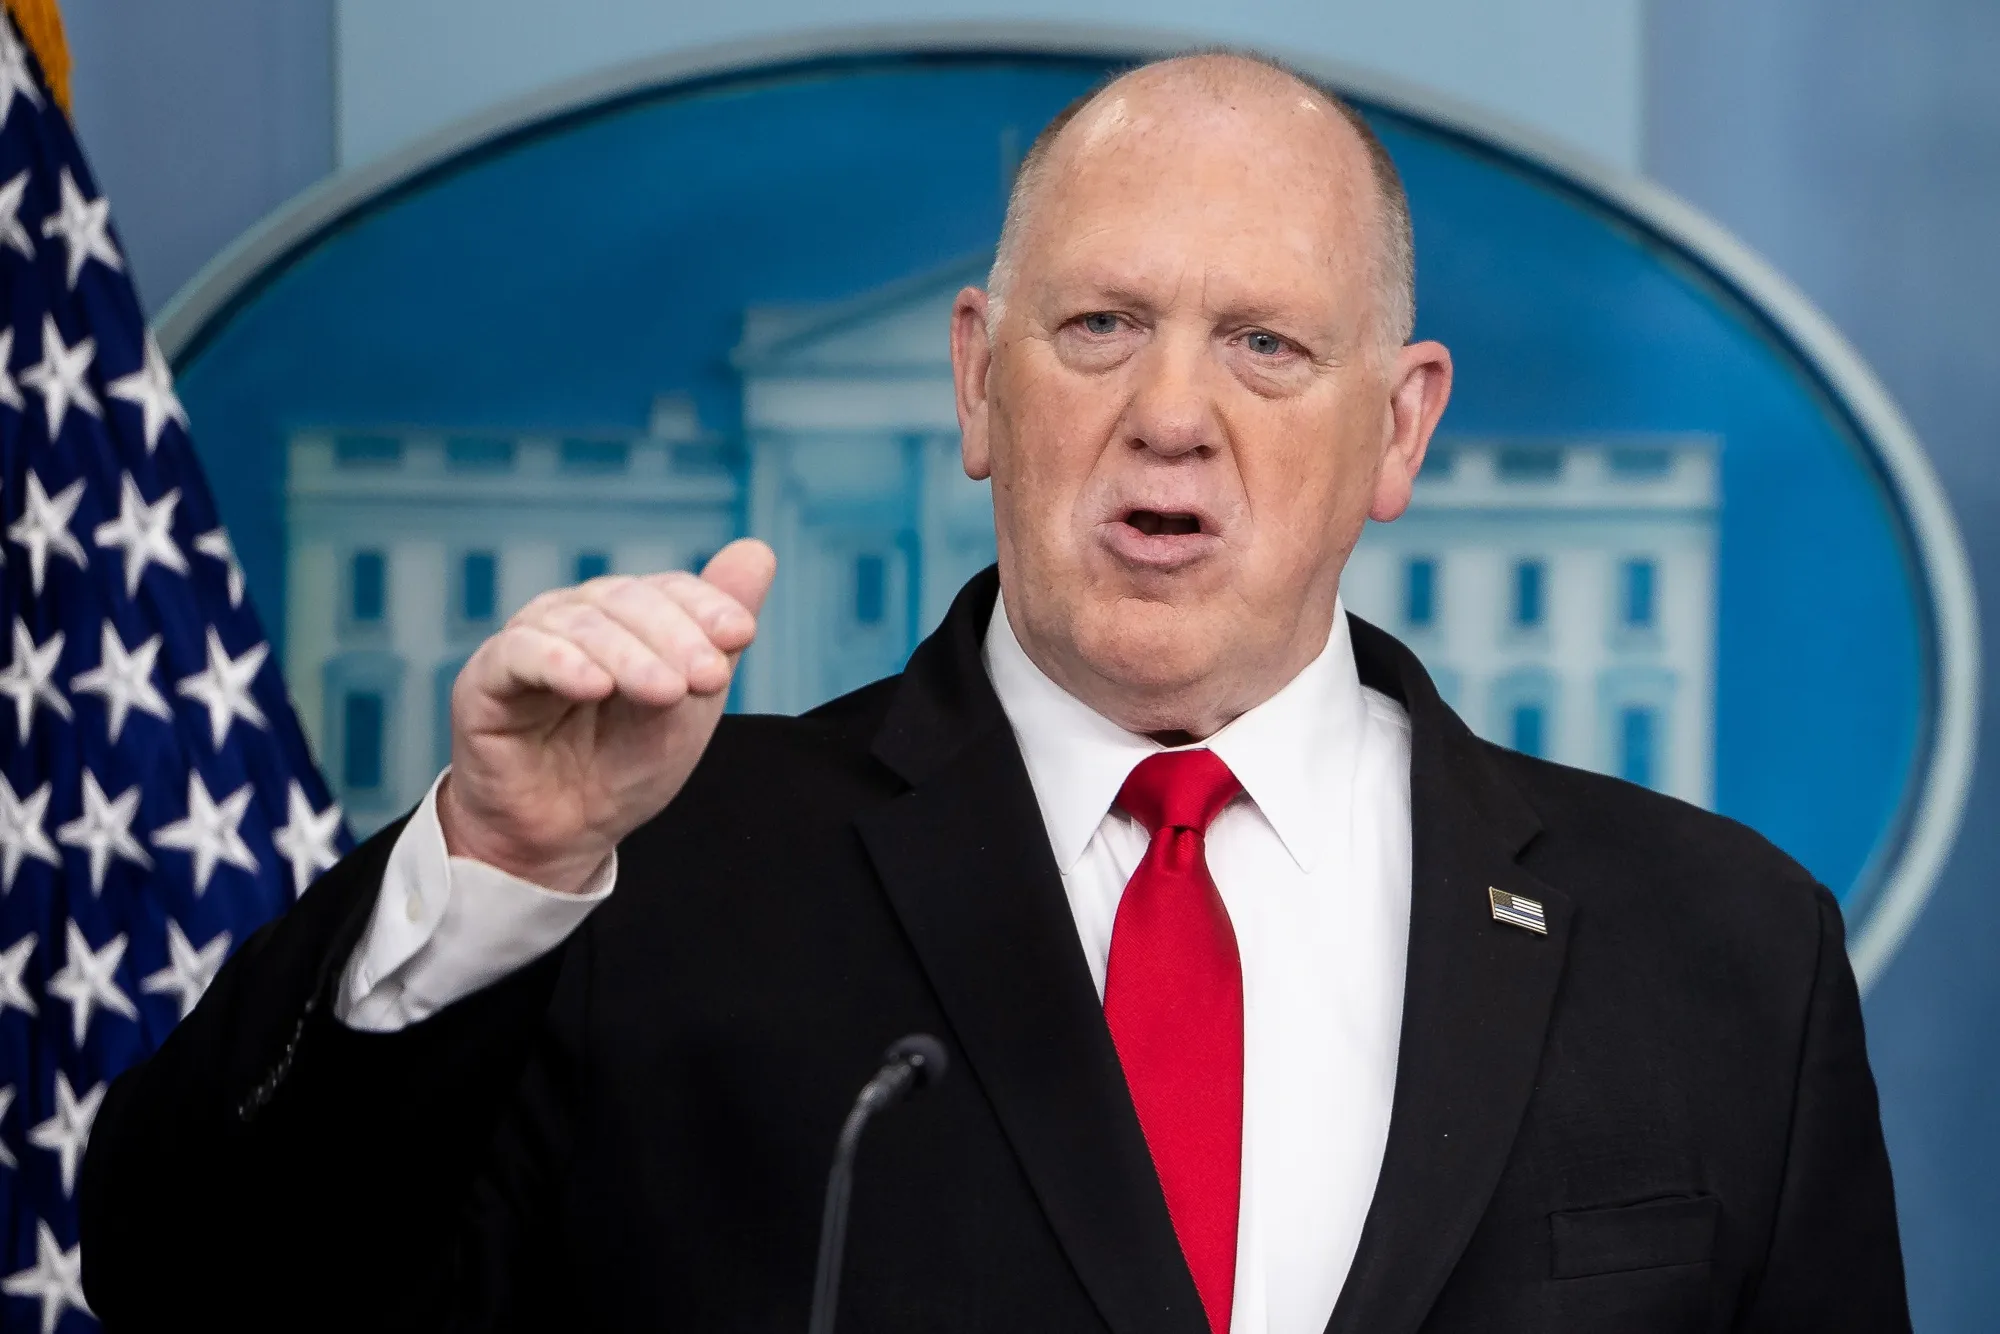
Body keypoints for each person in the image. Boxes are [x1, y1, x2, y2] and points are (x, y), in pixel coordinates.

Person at [80, 52, 1908, 1333]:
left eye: (1266, 343)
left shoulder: (1723, 954)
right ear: (978, 383)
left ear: (1400, 427)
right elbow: (202, 1290)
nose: (1171, 413)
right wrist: (497, 861)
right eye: (1100, 325)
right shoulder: (646, 878)